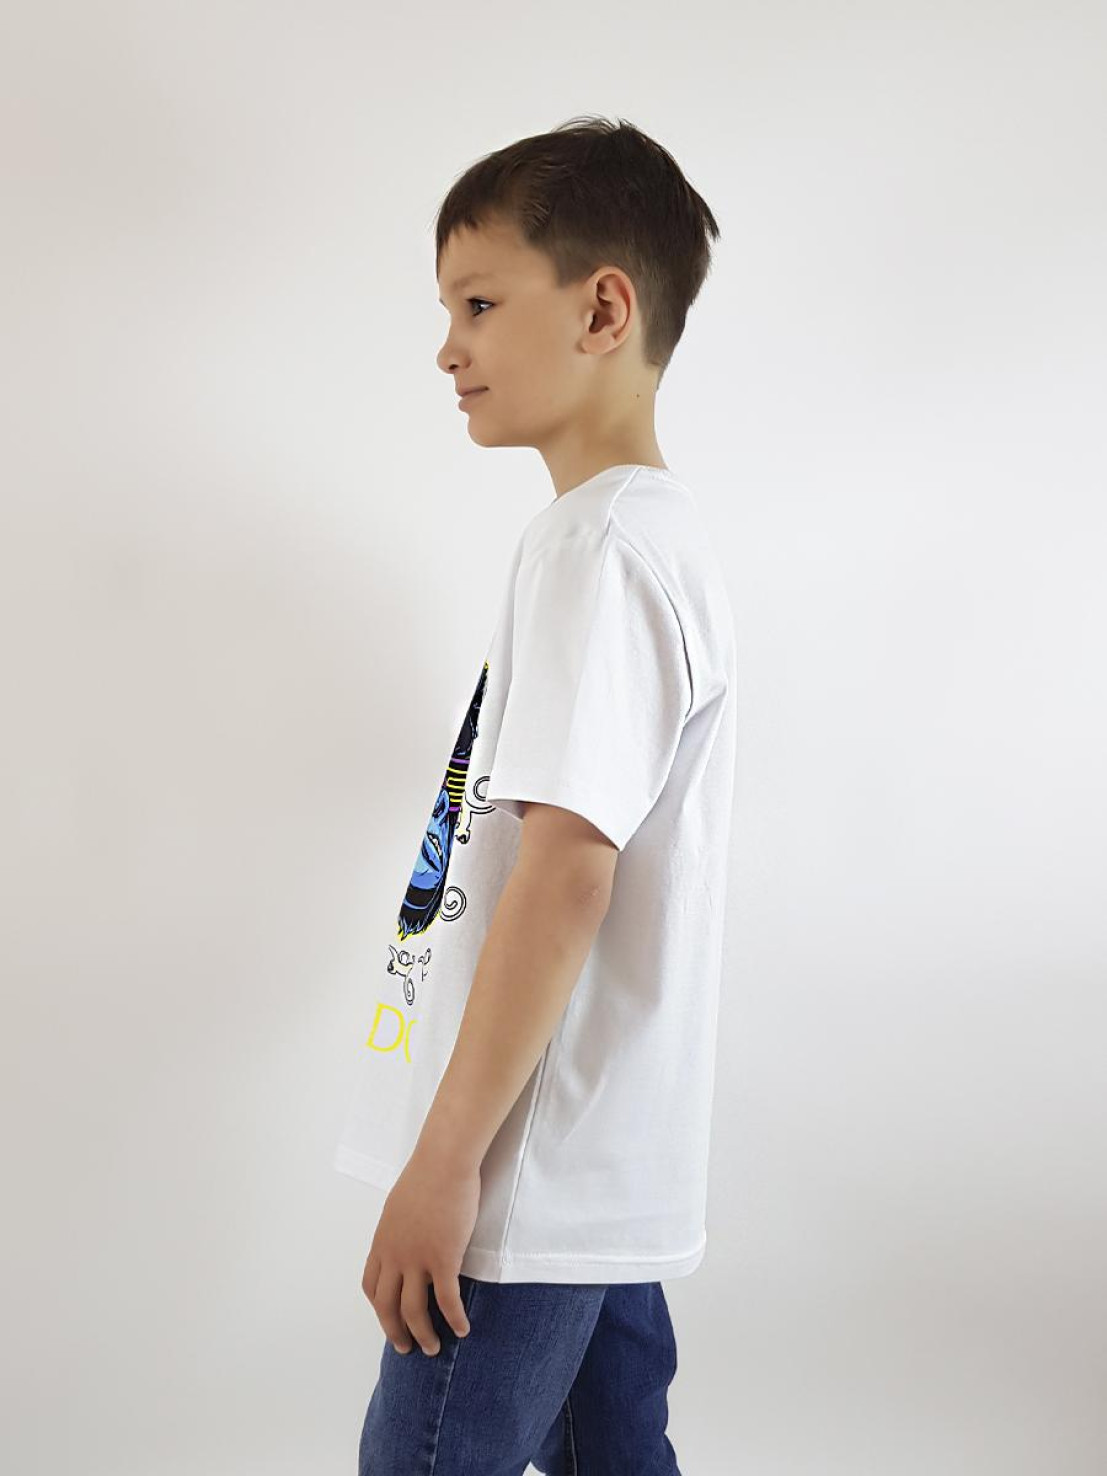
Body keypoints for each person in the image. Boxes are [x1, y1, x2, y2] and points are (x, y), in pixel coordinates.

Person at [333, 113, 737, 1475]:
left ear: (603, 309)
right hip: (597, 1159)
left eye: (481, 304)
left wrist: (446, 1161)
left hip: (528, 1178)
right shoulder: (652, 536)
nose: (448, 348)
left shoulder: (595, 549)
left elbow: (569, 870)